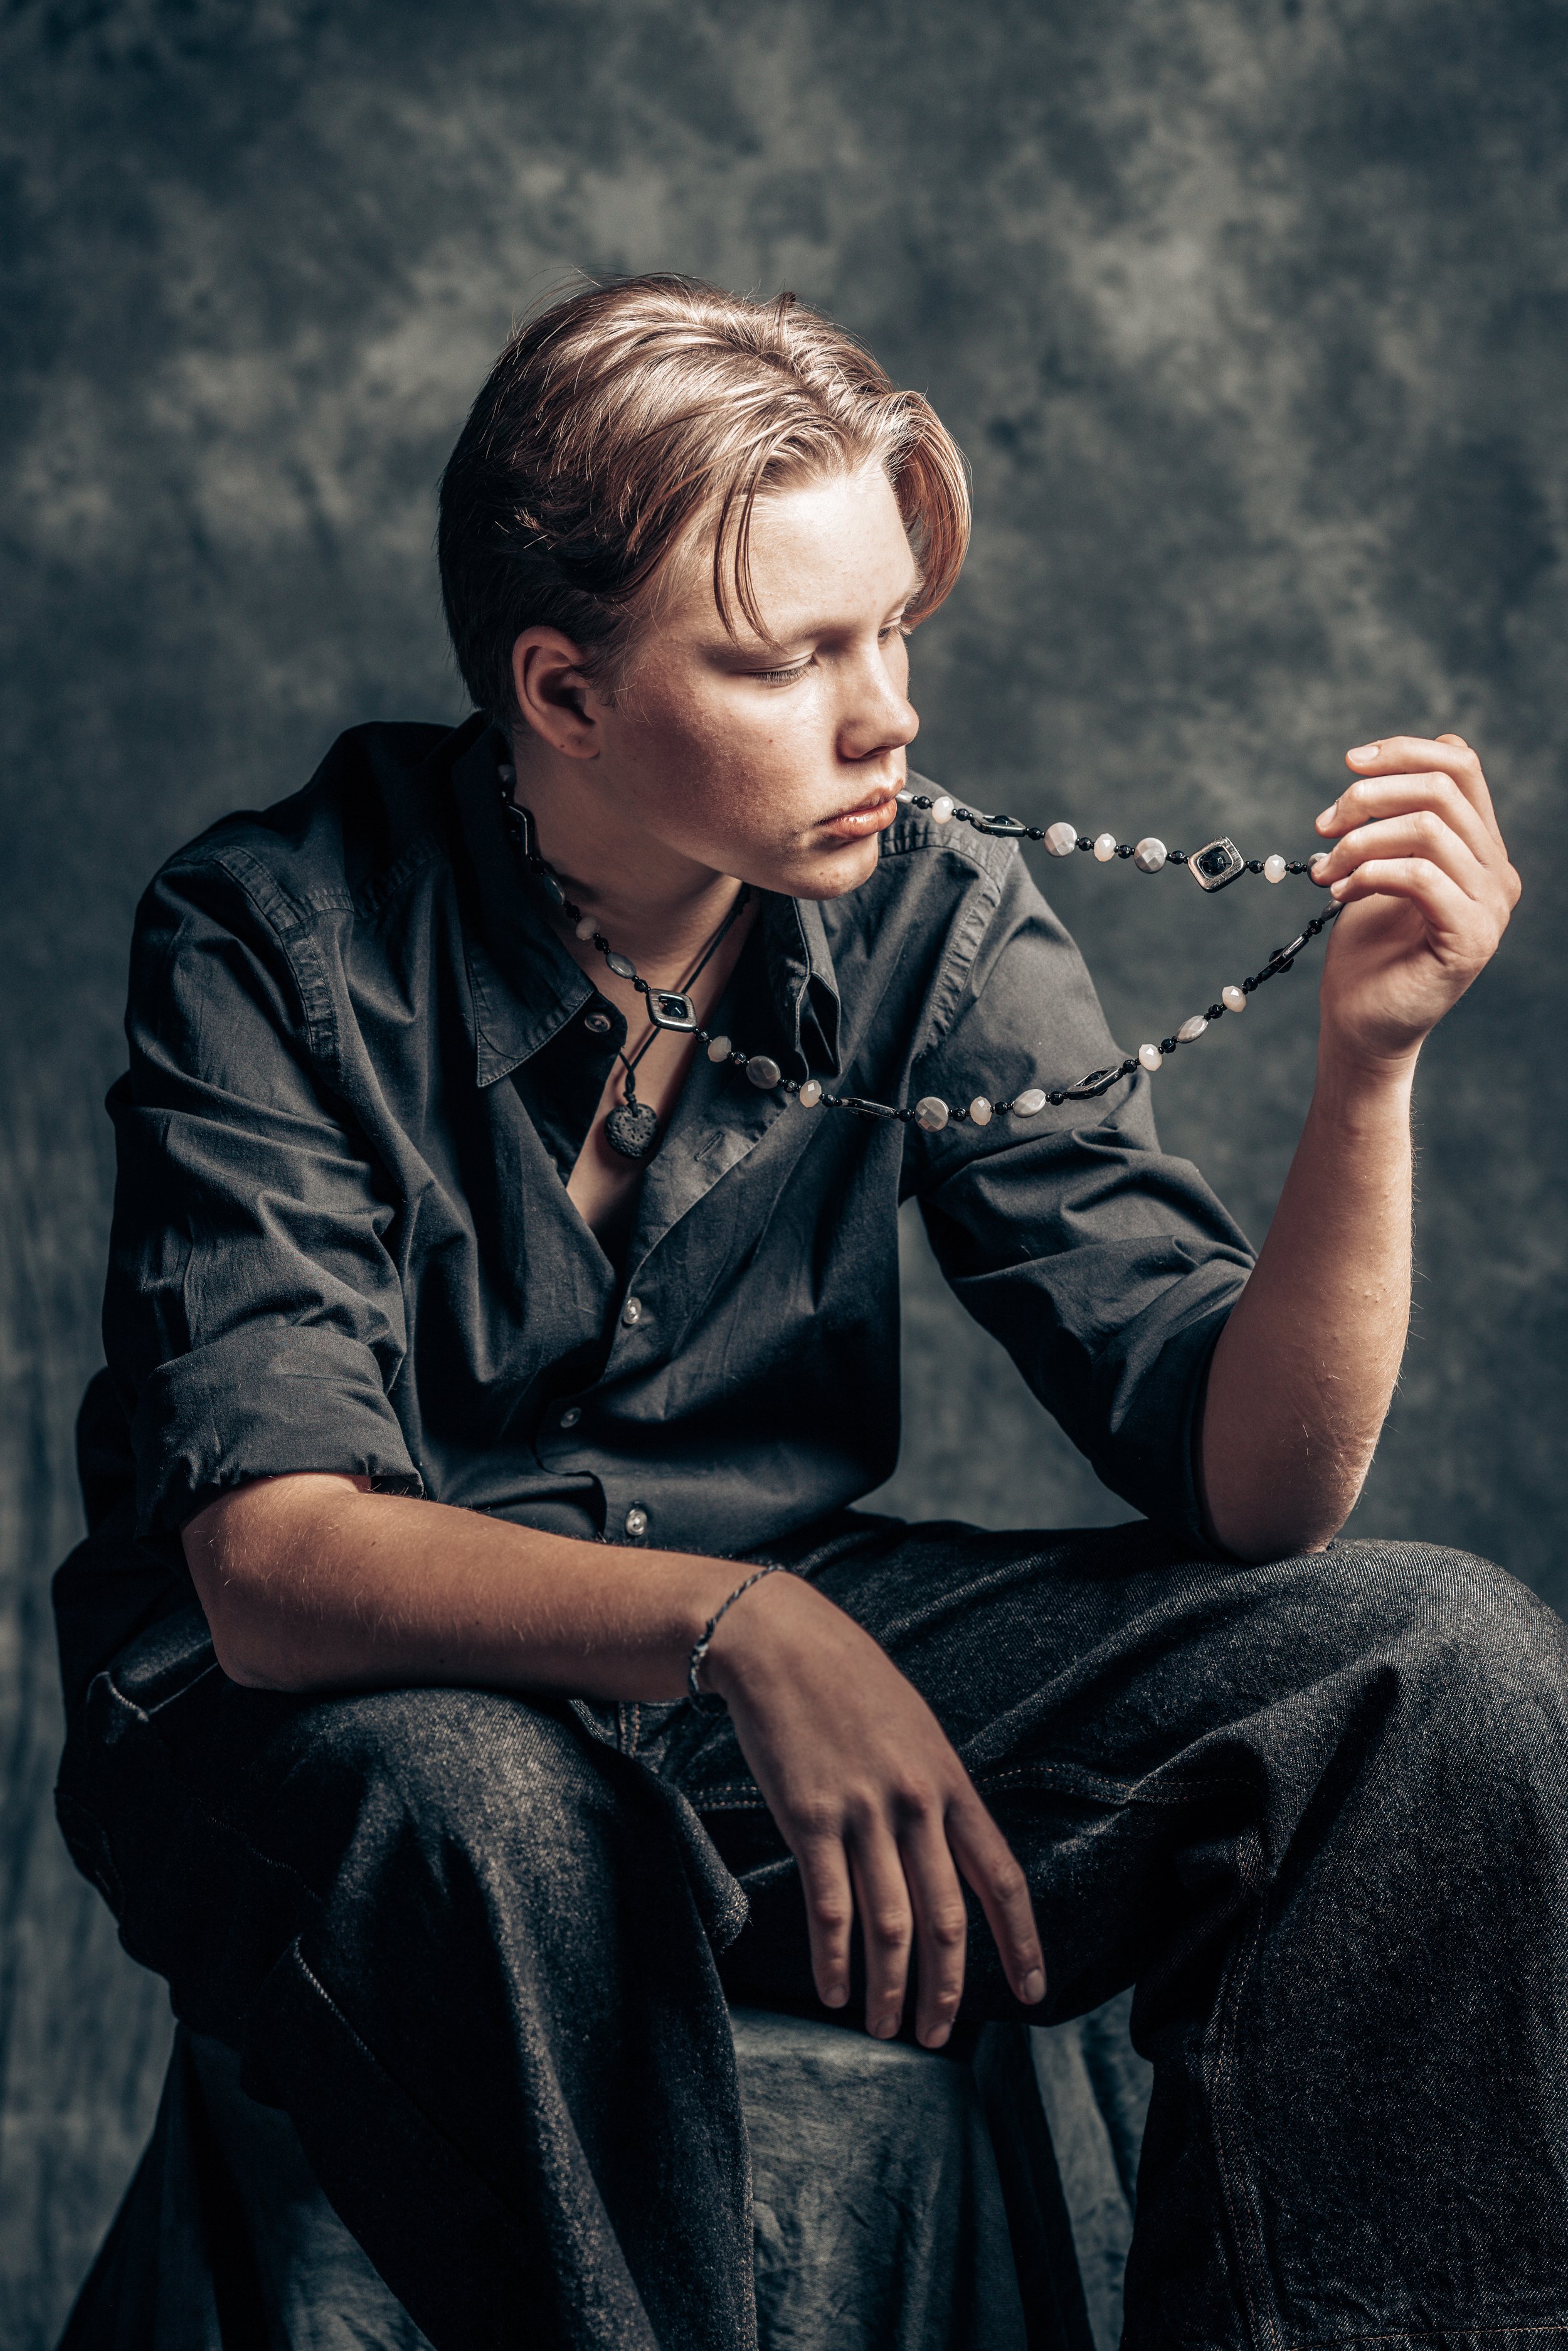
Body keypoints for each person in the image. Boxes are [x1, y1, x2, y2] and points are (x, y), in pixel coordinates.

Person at [53, 275, 1557, 2351]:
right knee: (498, 1811)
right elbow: (273, 1562)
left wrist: (1364, 1073)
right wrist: (749, 1629)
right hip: (322, 1726)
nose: (888, 720)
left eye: (893, 636)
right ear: (562, 696)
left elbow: (1250, 1483)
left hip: (749, 1647)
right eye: (788, 659)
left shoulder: (929, 904)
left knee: (1435, 1667)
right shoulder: (272, 930)